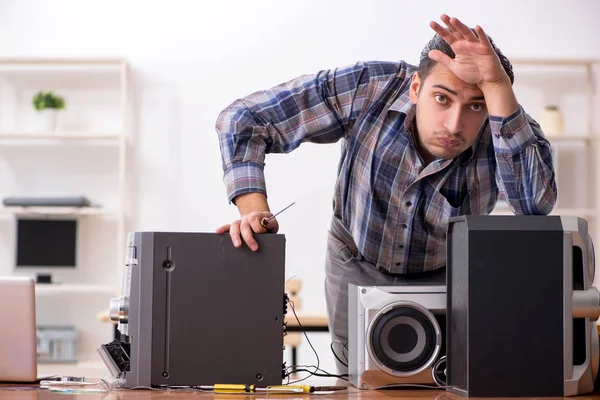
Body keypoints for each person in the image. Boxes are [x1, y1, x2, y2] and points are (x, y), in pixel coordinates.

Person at [215, 14, 556, 374]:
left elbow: (534, 206)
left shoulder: (507, 125)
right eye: (442, 99)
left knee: (444, 382)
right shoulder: (369, 87)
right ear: (414, 88)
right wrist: (253, 209)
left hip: (446, 271)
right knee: (358, 382)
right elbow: (242, 119)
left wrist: (497, 87)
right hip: (356, 261)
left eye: (475, 106)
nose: (454, 125)